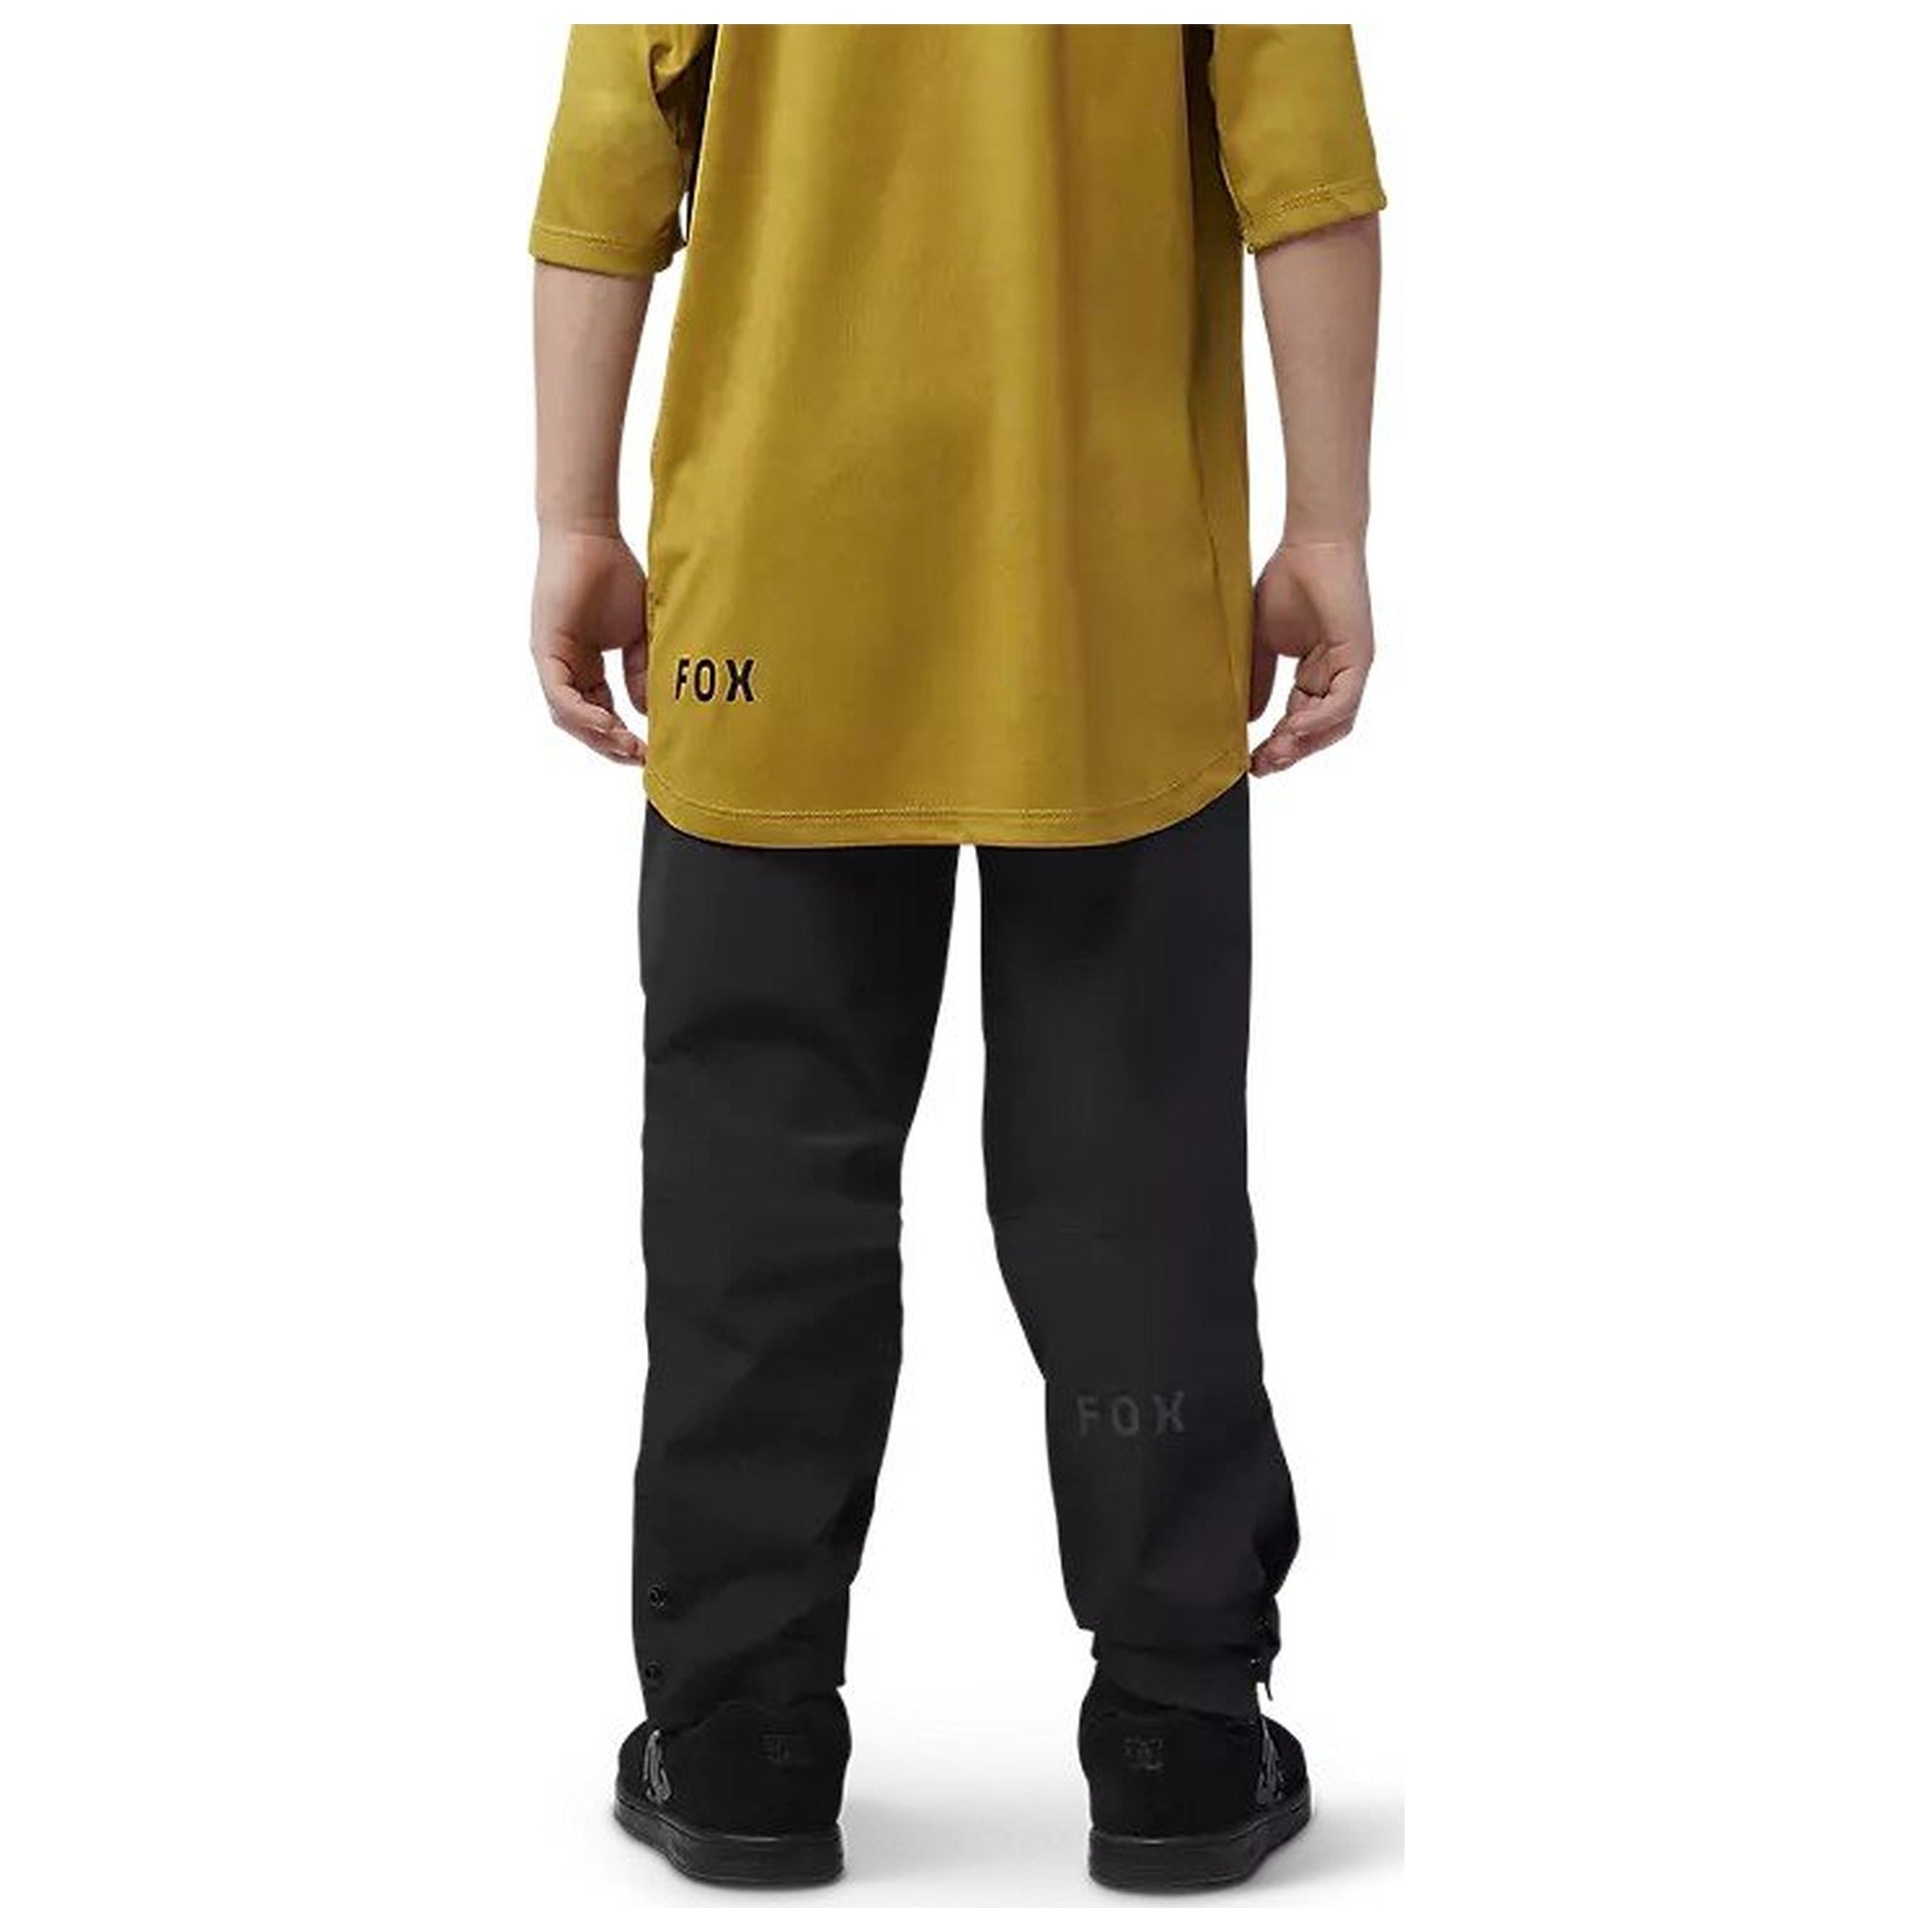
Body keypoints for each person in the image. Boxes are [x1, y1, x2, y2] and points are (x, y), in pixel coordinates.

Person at [528, 24, 1382, 1890]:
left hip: (769, 614)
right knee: (1137, 1185)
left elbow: (610, 164)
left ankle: (744, 1735)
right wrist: (1325, 523)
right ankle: (1178, 1728)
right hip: (1107, 617)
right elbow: (1306, 171)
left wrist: (577, 518)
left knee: (759, 1192)